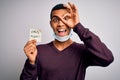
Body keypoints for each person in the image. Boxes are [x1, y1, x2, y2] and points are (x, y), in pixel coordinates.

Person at [20, 2, 114, 80]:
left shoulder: (83, 51)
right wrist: (31, 63)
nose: (61, 24)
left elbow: (107, 58)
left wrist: (78, 26)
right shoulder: (38, 51)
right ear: (51, 24)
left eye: (65, 18)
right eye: (55, 20)